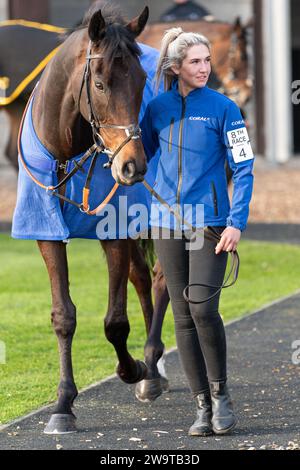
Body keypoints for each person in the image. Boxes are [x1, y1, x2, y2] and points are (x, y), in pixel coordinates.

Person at [140, 28, 254, 436]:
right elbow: (143, 155)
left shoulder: (225, 109)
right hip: (164, 223)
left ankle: (222, 396)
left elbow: (243, 169)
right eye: (195, 62)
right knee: (183, 317)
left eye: (207, 60)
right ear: (176, 67)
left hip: (209, 223)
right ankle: (202, 405)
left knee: (204, 309)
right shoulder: (156, 110)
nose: (204, 67)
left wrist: (235, 222)